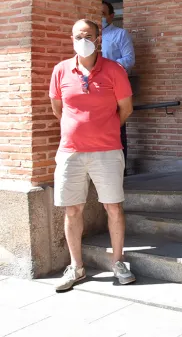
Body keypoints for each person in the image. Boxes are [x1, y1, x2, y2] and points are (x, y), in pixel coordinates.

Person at [49, 19, 135, 292]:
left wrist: (104, 129)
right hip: (71, 152)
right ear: (71, 38)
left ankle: (119, 262)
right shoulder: (61, 70)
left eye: (87, 35)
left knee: (113, 207)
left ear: (98, 39)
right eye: (77, 35)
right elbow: (57, 109)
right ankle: (76, 266)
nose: (82, 39)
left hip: (107, 151)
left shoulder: (114, 70)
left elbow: (126, 108)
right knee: (72, 210)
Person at [101, 2, 135, 166]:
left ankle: (121, 170)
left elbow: (129, 60)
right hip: (94, 90)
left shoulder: (120, 34)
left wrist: (108, 67)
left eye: (103, 13)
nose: (100, 17)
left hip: (114, 88)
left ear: (111, 16)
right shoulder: (89, 36)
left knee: (117, 128)